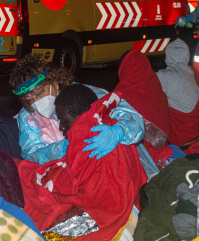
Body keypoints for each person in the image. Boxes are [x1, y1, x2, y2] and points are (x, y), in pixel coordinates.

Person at [18, 84, 147, 241]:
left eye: (64, 122)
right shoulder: (104, 120)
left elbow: (70, 185)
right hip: (121, 199)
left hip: (103, 210)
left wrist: (47, 177)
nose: (62, 128)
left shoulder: (86, 134)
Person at [9, 53, 144, 165]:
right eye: (28, 99)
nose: (35, 102)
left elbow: (134, 119)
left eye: (39, 92)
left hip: (111, 164)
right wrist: (62, 149)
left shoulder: (83, 95)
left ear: (54, 82)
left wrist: (118, 132)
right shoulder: (27, 117)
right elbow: (31, 155)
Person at [156, 38, 199, 146]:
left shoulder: (163, 75)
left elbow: (151, 97)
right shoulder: (193, 71)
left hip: (183, 131)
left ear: (167, 55)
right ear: (187, 56)